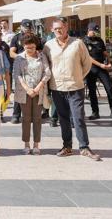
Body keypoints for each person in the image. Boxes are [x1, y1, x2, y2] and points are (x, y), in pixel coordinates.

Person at [44, 17, 101, 160]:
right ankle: (67, 146)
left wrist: (78, 77)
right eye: (56, 29)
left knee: (78, 118)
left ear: (66, 27)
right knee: (63, 118)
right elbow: (46, 66)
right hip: (57, 87)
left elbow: (87, 63)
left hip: (75, 86)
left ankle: (84, 147)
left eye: (61, 28)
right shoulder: (48, 46)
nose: (59, 30)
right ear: (52, 30)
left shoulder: (78, 43)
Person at [13, 34, 51, 155]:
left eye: (32, 48)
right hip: (24, 93)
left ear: (36, 46)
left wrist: (39, 86)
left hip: (39, 92)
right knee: (25, 118)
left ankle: (36, 144)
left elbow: (47, 73)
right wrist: (27, 89)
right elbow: (17, 75)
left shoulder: (42, 56)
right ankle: (26, 144)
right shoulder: (19, 58)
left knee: (37, 118)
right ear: (23, 46)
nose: (30, 50)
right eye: (27, 48)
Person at [83, 22, 112, 121]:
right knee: (92, 90)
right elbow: (87, 57)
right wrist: (101, 65)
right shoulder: (83, 41)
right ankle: (95, 112)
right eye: (94, 31)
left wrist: (109, 62)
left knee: (109, 87)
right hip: (91, 68)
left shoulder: (100, 40)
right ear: (89, 30)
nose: (95, 33)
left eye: (97, 31)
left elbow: (105, 53)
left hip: (102, 68)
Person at [9, 20, 42, 124]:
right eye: (25, 27)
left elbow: (40, 51)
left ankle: (31, 115)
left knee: (32, 90)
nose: (27, 28)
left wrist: (32, 56)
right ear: (21, 27)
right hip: (20, 65)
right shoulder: (16, 37)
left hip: (33, 66)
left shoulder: (36, 38)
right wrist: (22, 57)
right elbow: (11, 52)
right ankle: (16, 115)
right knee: (20, 90)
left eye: (28, 27)